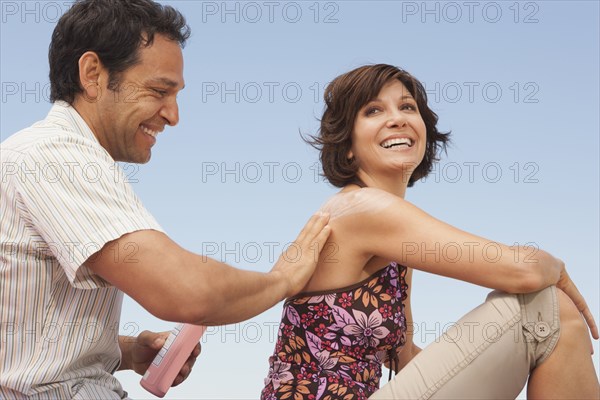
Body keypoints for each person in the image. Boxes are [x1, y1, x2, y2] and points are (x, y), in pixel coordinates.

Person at [0, 0, 330, 398]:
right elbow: (189, 292)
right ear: (92, 74)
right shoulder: (55, 158)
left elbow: (20, 338)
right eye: (159, 90)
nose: (173, 115)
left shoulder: (39, 158)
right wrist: (284, 280)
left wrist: (125, 351)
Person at [260, 64, 599, 399]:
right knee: (546, 306)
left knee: (550, 313)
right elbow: (521, 271)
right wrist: (558, 268)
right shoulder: (363, 209)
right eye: (373, 110)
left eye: (407, 106)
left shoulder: (392, 246)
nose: (397, 118)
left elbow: (405, 357)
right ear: (347, 145)